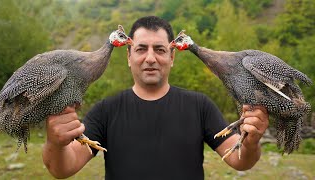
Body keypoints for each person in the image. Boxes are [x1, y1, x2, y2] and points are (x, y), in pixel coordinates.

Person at [42, 16, 269, 179]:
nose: (150, 58)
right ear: (129, 57)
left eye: (159, 50)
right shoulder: (105, 110)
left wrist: (251, 141)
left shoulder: (200, 106)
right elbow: (62, 169)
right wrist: (55, 142)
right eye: (141, 49)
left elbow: (240, 161)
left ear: (172, 58)